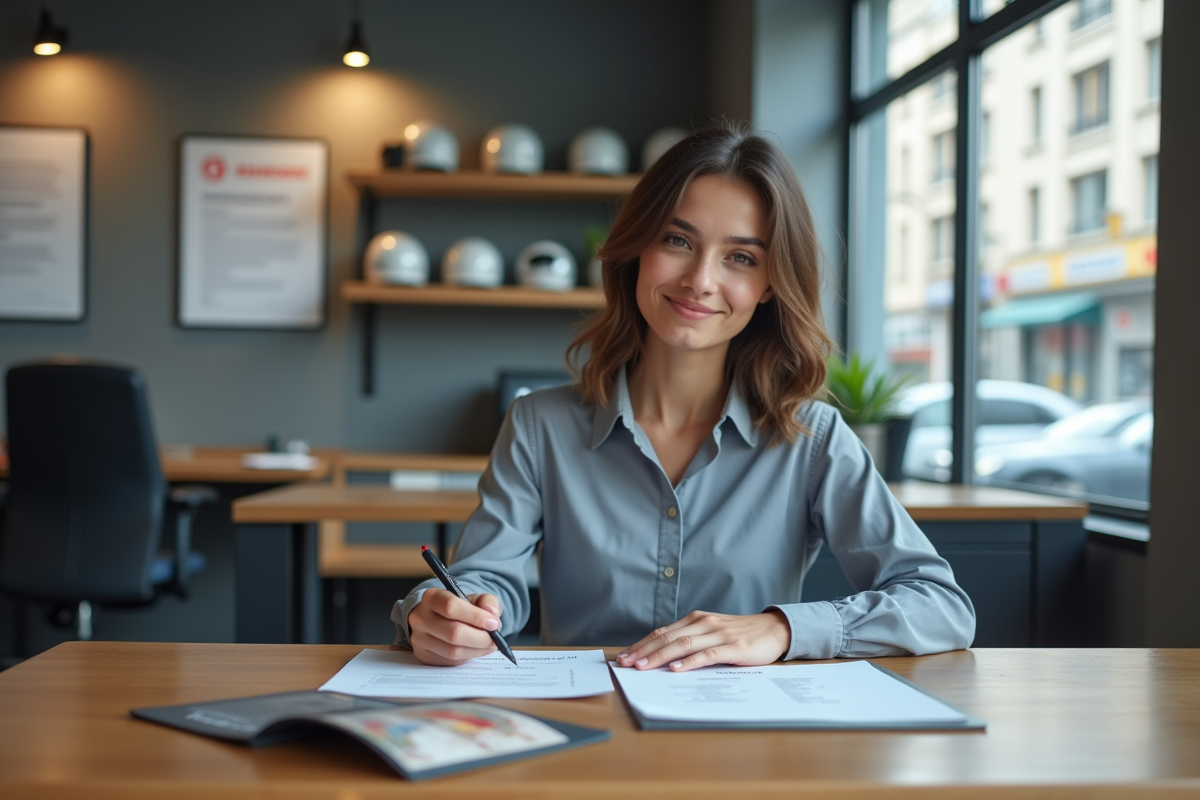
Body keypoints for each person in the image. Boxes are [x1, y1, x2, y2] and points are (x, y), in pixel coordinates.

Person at [392, 122, 975, 671]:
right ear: (637, 249)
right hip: (585, 742)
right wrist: (444, 615)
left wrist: (780, 630)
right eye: (678, 240)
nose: (700, 279)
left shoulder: (812, 440)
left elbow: (941, 606)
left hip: (743, 754)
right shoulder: (539, 425)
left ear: (770, 285)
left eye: (740, 257)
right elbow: (481, 582)